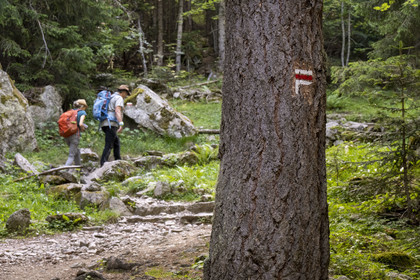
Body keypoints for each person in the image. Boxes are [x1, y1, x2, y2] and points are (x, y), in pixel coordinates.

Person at [100, 85, 130, 166]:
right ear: (123, 92)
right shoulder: (119, 98)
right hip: (111, 123)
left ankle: (118, 160)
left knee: (116, 142)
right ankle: (103, 163)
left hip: (104, 123)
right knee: (109, 144)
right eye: (126, 94)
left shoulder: (111, 97)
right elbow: (117, 110)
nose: (126, 96)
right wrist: (121, 123)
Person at [65, 99, 88, 166]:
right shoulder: (82, 113)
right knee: (71, 156)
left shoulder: (70, 112)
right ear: (82, 106)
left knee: (76, 151)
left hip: (66, 135)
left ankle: (79, 169)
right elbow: (80, 124)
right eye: (85, 107)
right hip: (74, 135)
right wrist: (83, 128)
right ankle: (63, 172)